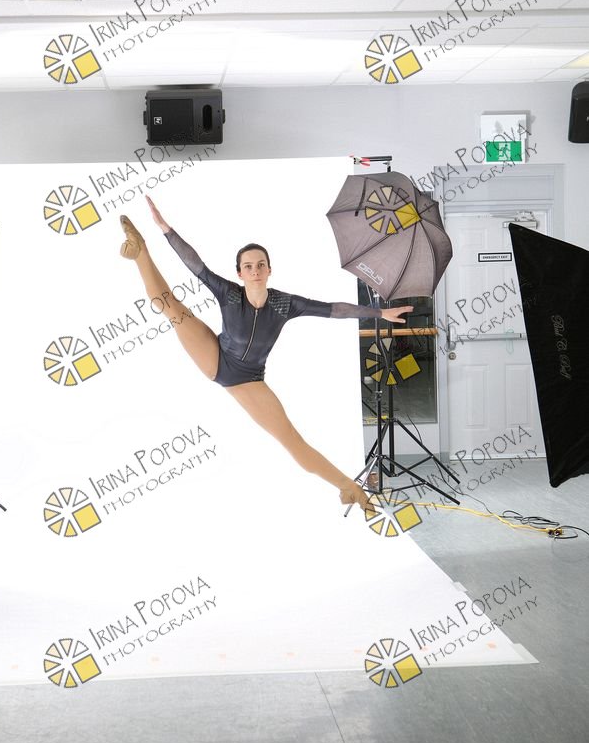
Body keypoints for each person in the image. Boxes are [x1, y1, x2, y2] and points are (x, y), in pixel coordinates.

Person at [120, 197, 413, 518]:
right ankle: (140, 250)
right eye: (248, 266)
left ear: (270, 270)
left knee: (292, 441)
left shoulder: (285, 304)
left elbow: (334, 310)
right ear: (240, 273)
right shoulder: (229, 293)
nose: (255, 270)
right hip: (215, 354)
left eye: (261, 265)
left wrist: (380, 313)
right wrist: (166, 229)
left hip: (246, 379)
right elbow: (195, 264)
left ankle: (349, 487)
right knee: (170, 307)